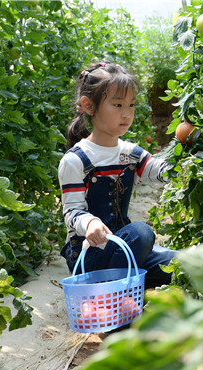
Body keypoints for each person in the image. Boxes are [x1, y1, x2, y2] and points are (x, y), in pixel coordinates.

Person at [58, 61, 176, 289]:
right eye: (118, 104)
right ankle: (118, 294)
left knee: (180, 264)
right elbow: (71, 211)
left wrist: (189, 154)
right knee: (142, 232)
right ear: (88, 106)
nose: (127, 113)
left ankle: (123, 282)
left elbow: (161, 171)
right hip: (89, 255)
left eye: (131, 105)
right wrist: (90, 222)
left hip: (125, 248)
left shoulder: (131, 153)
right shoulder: (76, 160)